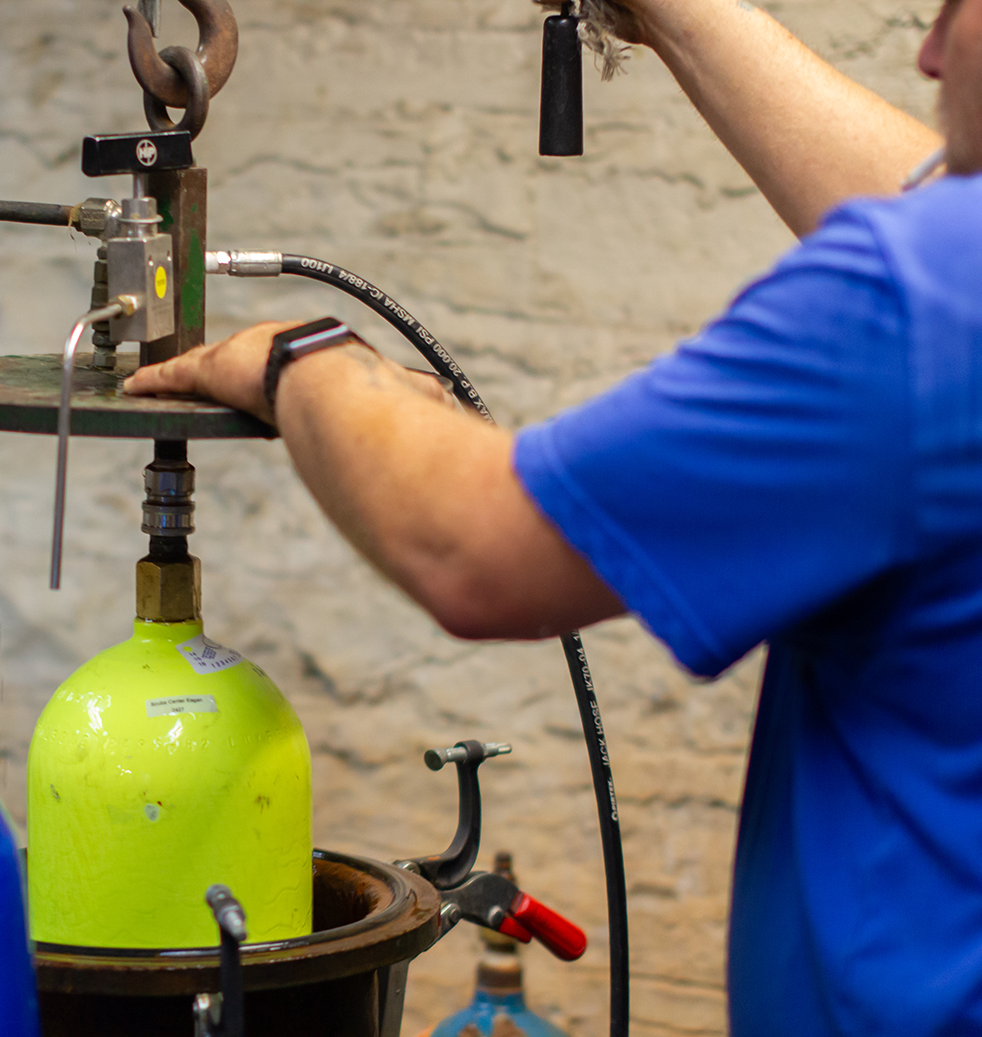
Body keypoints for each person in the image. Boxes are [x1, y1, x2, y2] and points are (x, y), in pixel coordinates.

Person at [125, 0, 982, 1033]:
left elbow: (475, 546)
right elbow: (936, 203)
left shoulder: (918, 299)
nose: (926, 49)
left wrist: (301, 361)